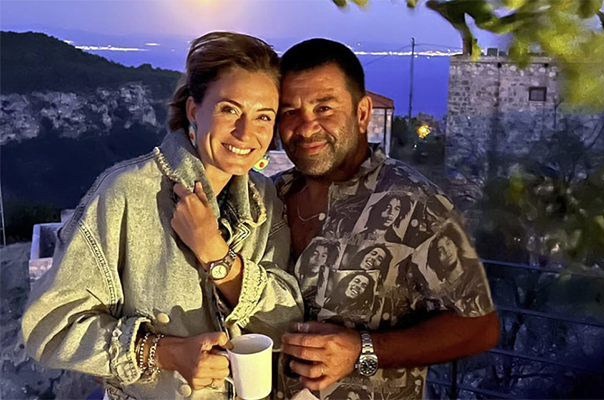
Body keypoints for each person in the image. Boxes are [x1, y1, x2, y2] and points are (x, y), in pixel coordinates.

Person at [21, 32, 303, 400]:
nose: (245, 132)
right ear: (193, 111)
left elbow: (284, 322)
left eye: (263, 116)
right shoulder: (127, 192)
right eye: (229, 110)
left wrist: (216, 254)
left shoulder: (264, 199)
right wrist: (165, 352)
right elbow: (49, 328)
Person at [274, 38, 499, 399]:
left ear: (362, 113)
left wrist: (363, 350)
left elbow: (480, 327)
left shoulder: (415, 203)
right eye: (289, 112)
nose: (305, 127)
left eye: (324, 108)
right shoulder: (269, 196)